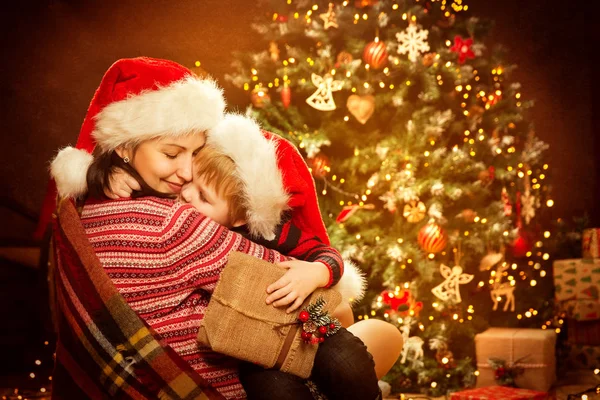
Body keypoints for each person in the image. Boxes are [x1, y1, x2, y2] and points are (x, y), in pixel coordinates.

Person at [45, 56, 384, 400]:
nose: (187, 173)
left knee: (346, 352)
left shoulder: (84, 206)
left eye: (193, 154)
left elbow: (312, 261)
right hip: (216, 385)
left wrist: (318, 270)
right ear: (123, 146)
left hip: (146, 377)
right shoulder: (175, 223)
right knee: (369, 334)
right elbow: (325, 305)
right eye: (172, 153)